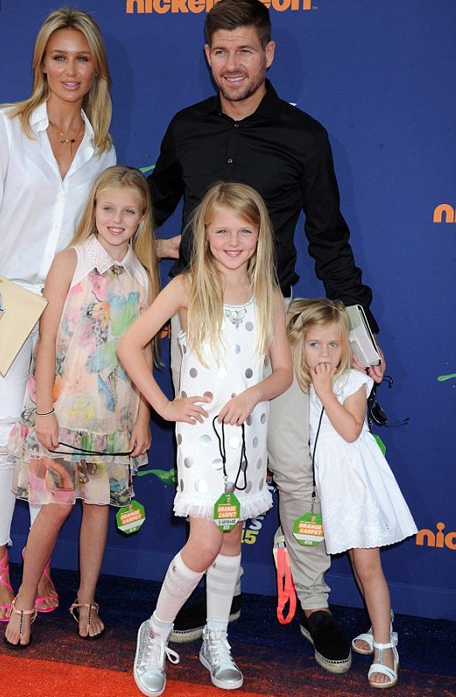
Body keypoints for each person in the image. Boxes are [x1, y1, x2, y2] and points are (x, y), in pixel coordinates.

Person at [147, 0, 385, 672]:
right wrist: (103, 249)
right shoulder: (185, 127)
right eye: (221, 52)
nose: (233, 64)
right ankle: (214, 601)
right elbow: (150, 205)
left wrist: (361, 335)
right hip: (198, 330)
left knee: (293, 469)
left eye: (245, 50)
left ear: (268, 53)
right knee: (213, 470)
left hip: (273, 327)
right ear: (207, 55)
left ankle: (313, 602)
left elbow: (329, 240)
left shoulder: (305, 137)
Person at [0, 7, 116, 623]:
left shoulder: (101, 148)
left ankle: (37, 559)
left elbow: (102, 234)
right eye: (59, 57)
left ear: (96, 69)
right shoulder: (4, 127)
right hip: (1, 301)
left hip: (67, 317)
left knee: (50, 441)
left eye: (82, 58)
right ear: (42, 63)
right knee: (1, 436)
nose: (70, 70)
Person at [118, 182, 293, 695]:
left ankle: (216, 638)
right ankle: (155, 631)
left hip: (249, 434)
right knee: (206, 540)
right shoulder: (187, 286)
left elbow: (283, 372)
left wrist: (254, 394)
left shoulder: (269, 294)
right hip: (199, 434)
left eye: (244, 231)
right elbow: (129, 345)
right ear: (205, 234)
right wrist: (165, 406)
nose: (233, 242)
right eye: (222, 231)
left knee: (232, 536)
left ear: (260, 236)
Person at [4, 165, 160, 648]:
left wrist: (143, 417)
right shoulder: (69, 261)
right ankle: (24, 599)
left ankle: (87, 600)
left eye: (129, 211)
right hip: (64, 412)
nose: (117, 219)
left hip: (116, 418)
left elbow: (146, 352)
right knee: (54, 509)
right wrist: (45, 411)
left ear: (142, 218)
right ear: (93, 209)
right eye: (108, 208)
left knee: (98, 510)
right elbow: (46, 339)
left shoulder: (143, 275)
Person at [286, 298, 416, 688]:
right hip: (334, 487)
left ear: (346, 346)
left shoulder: (353, 382)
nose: (324, 353)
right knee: (360, 567)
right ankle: (380, 626)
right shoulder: (310, 384)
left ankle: (385, 647)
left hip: (356, 486)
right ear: (300, 346)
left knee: (368, 567)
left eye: (333, 344)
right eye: (315, 344)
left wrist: (326, 390)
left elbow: (350, 430)